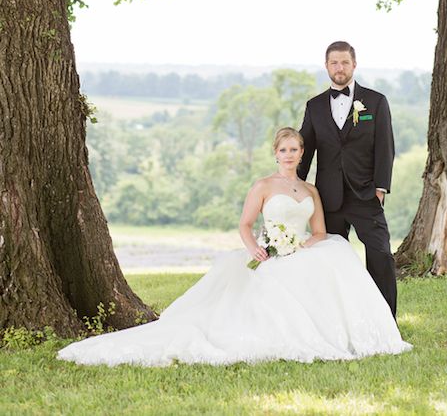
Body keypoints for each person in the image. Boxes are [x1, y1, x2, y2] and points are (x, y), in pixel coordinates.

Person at [58, 128, 411, 366]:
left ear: (303, 154)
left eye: (295, 150)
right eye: (284, 150)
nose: (289, 155)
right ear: (276, 153)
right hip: (269, 253)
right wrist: (258, 247)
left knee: (335, 257)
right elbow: (244, 225)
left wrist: (305, 244)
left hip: (300, 251)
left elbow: (319, 231)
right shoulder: (263, 185)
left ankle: (345, 333)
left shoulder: (311, 191)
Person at [298, 41, 398, 316]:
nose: (339, 68)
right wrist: (293, 188)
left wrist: (380, 189)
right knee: (329, 263)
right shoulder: (315, 106)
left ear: (354, 64)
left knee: (380, 256)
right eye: (334, 63)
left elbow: (385, 148)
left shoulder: (376, 101)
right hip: (328, 199)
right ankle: (334, 320)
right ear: (327, 66)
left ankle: (386, 320)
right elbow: (304, 151)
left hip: (366, 195)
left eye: (344, 62)